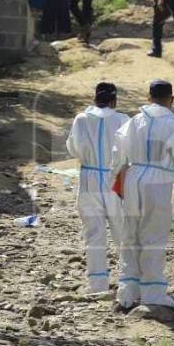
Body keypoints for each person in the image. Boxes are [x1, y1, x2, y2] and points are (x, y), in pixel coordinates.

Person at [111, 79, 174, 311]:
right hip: (158, 181)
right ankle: (152, 292)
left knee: (131, 234)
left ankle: (127, 292)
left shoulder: (134, 121)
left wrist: (117, 177)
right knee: (154, 235)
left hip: (133, 177)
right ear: (172, 99)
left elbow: (117, 151)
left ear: (148, 97)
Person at [66, 82, 129, 294]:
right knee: (122, 231)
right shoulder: (123, 120)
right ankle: (129, 281)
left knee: (94, 233)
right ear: (114, 100)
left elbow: (73, 148)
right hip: (115, 179)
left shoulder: (81, 119)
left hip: (89, 178)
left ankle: (97, 284)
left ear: (95, 99)